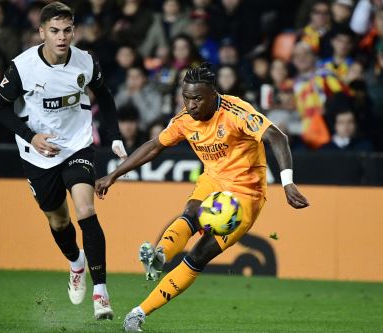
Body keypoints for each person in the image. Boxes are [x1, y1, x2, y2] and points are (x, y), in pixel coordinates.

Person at [94, 63, 309, 332]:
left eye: (197, 98)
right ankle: (159, 256)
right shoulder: (184, 120)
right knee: (191, 211)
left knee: (197, 256)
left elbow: (277, 137)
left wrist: (287, 183)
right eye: (186, 97)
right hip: (213, 179)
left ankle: (138, 313)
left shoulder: (236, 111)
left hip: (246, 193)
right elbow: (153, 147)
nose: (191, 104)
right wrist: (114, 175)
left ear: (213, 94)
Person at [0, 2, 127, 320]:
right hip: (38, 153)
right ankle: (76, 263)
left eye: (67, 30)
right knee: (59, 221)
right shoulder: (22, 67)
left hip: (78, 146)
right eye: (54, 31)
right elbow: (0, 108)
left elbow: (104, 96)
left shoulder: (85, 61)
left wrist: (114, 136)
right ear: (42, 33)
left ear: (74, 31)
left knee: (86, 209)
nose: (62, 37)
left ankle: (101, 294)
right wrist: (31, 136)